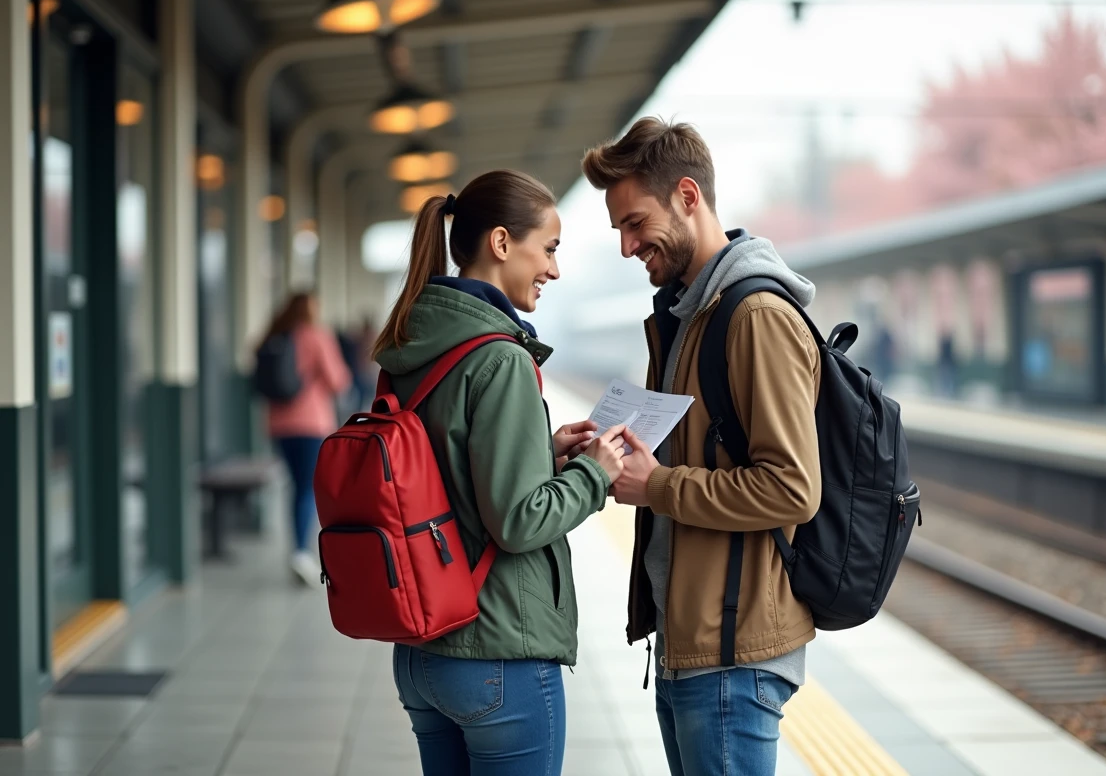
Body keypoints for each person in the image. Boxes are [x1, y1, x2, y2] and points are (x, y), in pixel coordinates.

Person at [582, 118, 823, 776]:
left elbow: (792, 488)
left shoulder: (756, 318)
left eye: (636, 223)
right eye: (620, 231)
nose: (629, 246)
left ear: (688, 196)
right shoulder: (690, 314)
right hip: (690, 644)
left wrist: (655, 485)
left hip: (731, 655)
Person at [373, 169, 627, 776]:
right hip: (495, 649)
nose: (555, 270)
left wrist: (543, 453)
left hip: (420, 651)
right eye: (550, 249)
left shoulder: (413, 344)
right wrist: (594, 473)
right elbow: (517, 520)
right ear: (502, 243)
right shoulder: (500, 356)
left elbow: (444, 468)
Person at [263, 293, 352, 586]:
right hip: (311, 423)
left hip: (278, 424)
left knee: (295, 486)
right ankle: (301, 553)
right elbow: (339, 381)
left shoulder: (276, 334)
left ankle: (298, 549)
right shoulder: (317, 336)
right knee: (306, 488)